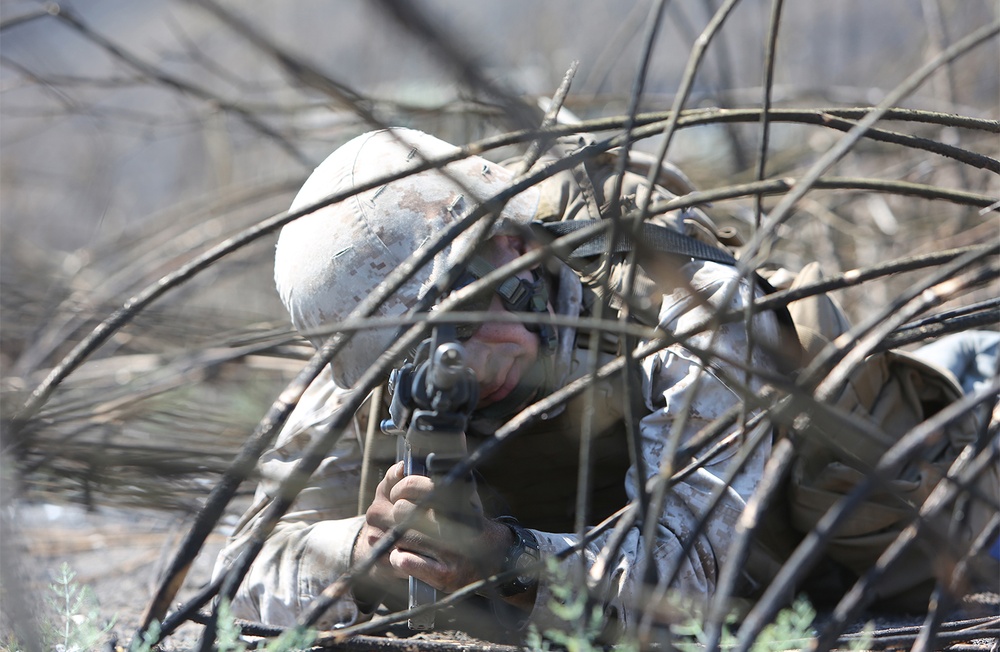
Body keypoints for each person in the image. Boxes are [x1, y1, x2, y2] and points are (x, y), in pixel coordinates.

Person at [213, 127, 791, 635]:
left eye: (456, 327)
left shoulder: (690, 303)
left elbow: (696, 575)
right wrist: (363, 554)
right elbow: (239, 573)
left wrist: (508, 561)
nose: (460, 365)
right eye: (412, 356)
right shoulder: (376, 367)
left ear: (510, 246)